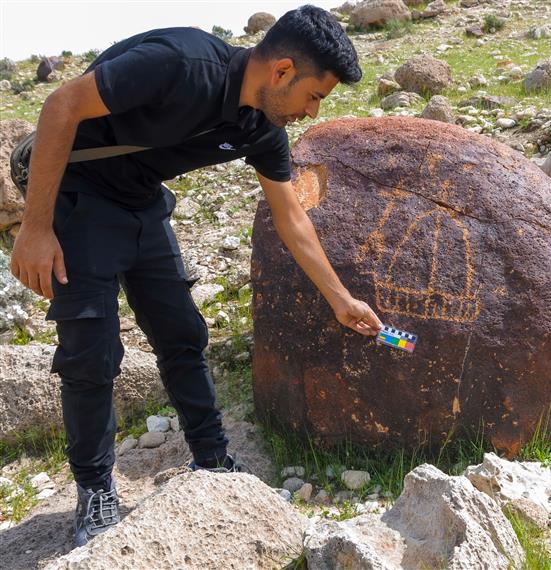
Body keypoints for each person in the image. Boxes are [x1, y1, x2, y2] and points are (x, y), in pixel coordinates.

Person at [10, 5, 382, 547]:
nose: (311, 110)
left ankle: (213, 461)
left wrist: (341, 299)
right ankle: (95, 490)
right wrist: (36, 229)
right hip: (81, 198)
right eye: (314, 95)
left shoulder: (261, 127)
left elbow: (291, 217)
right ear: (281, 71)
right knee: (91, 351)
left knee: (182, 334)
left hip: (142, 204)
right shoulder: (180, 63)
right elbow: (61, 103)